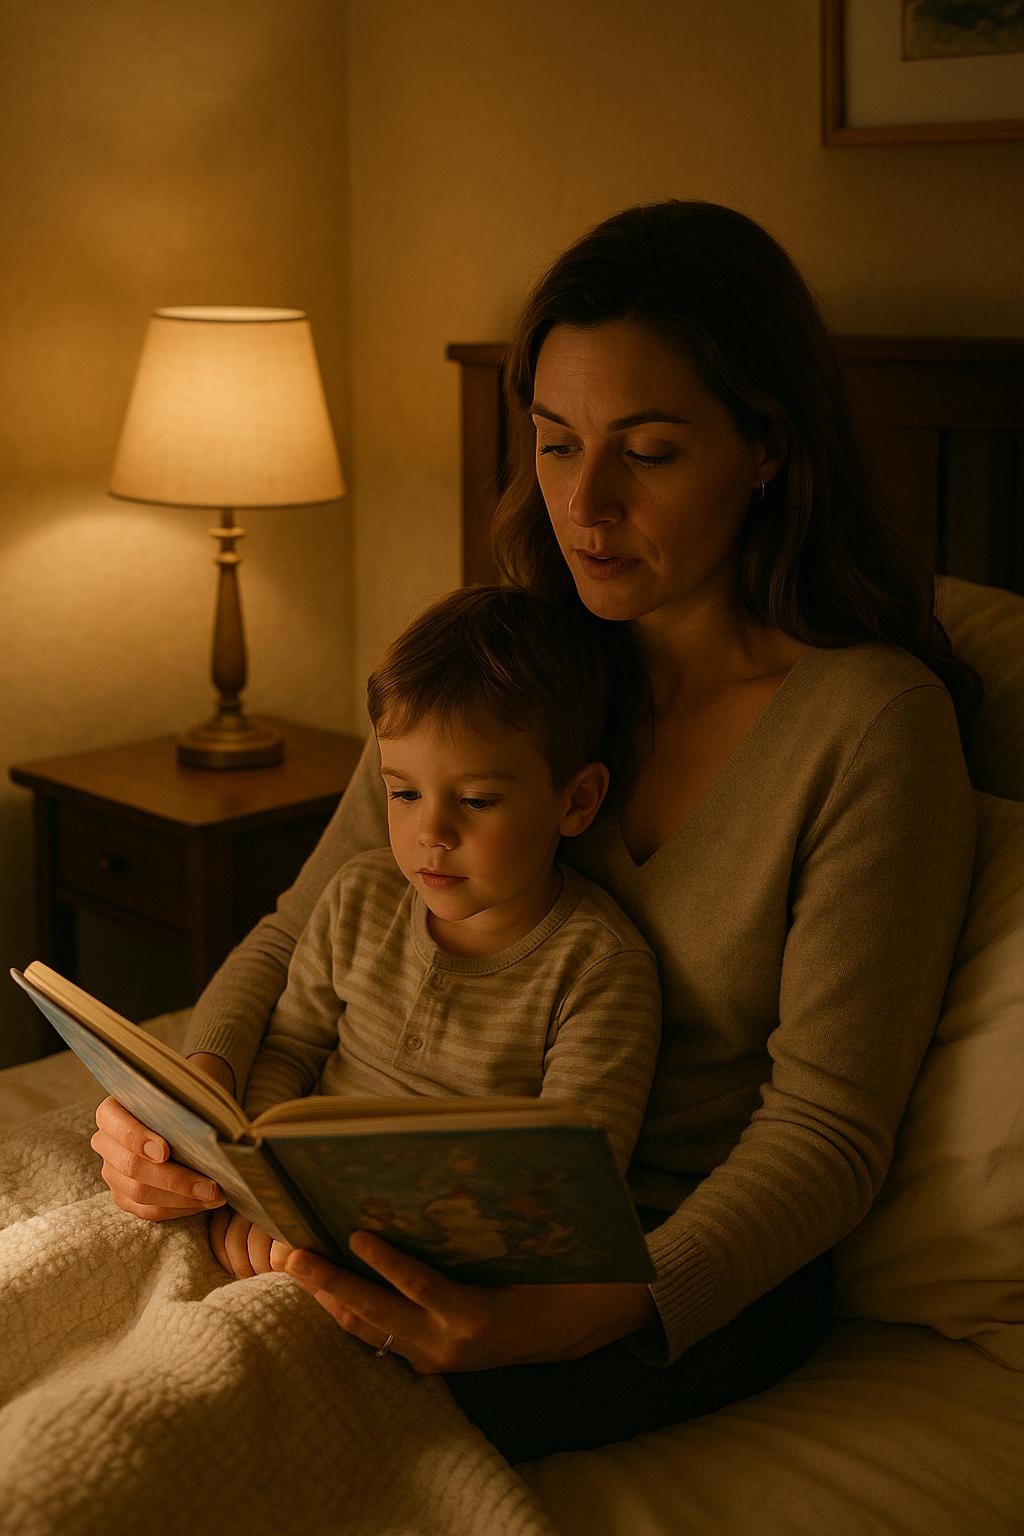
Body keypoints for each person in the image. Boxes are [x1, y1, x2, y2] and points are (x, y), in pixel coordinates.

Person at [92, 200, 978, 1463]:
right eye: (556, 444)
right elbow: (297, 931)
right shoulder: (503, 666)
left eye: (649, 452)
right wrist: (192, 1108)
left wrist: (578, 1314)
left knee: (213, 1437)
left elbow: (826, 1134)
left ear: (767, 449)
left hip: (668, 1269)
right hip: (403, 1217)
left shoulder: (872, 726)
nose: (585, 504)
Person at [208, 584, 661, 1277]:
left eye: (476, 801)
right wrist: (262, 1190)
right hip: (301, 1212)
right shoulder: (357, 896)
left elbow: (569, 1184)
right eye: (404, 793)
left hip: (447, 1258)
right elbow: (290, 1048)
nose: (431, 832)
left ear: (576, 801)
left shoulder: (599, 970)